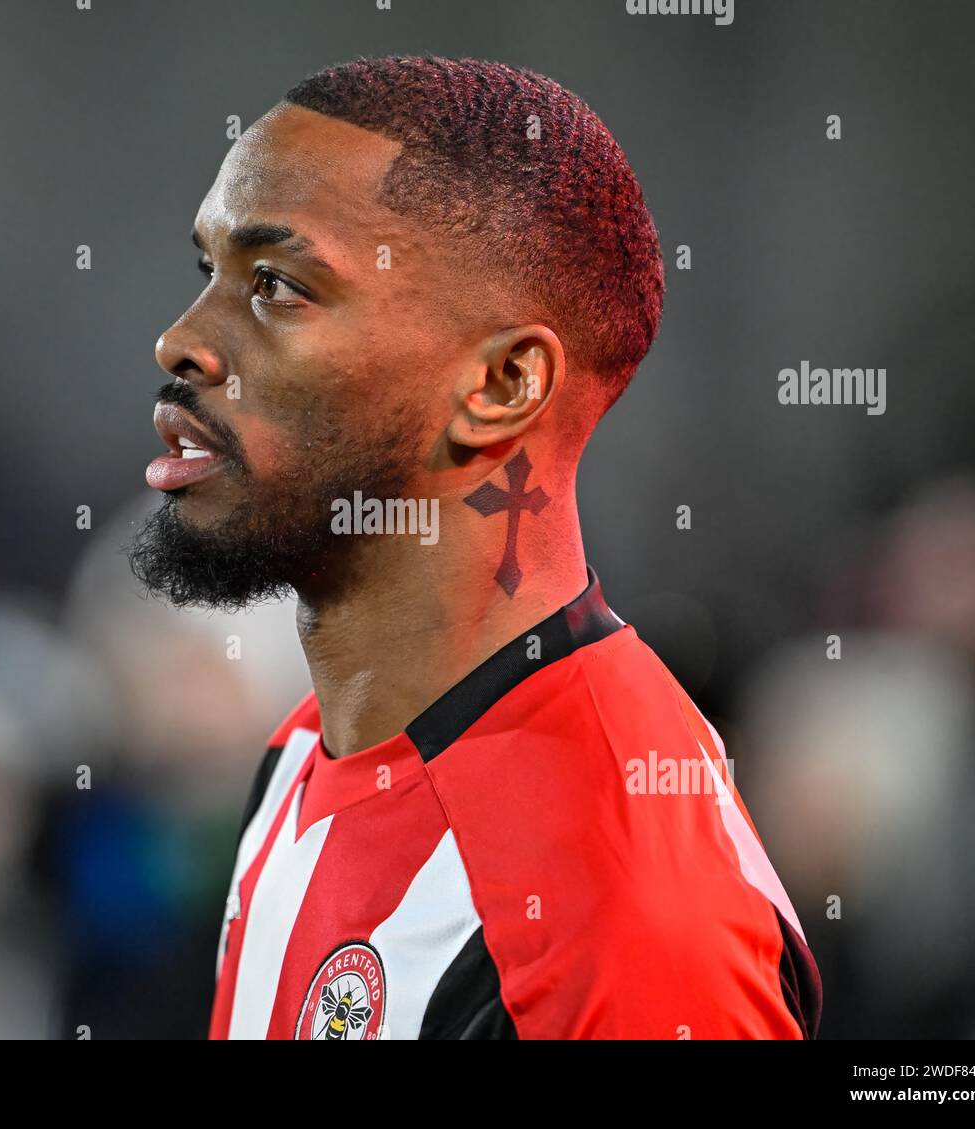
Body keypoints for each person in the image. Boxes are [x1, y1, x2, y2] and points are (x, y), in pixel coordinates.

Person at [130, 54, 821, 1040]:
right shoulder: (307, 750)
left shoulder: (620, 922)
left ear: (501, 385)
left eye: (277, 285)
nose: (180, 341)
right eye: (211, 272)